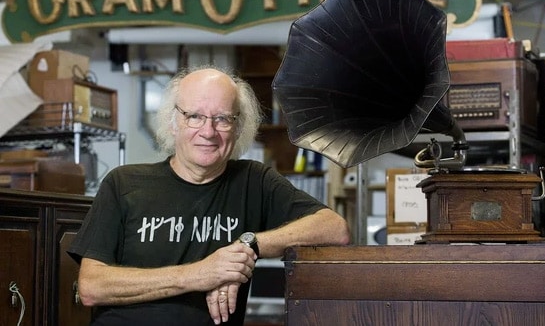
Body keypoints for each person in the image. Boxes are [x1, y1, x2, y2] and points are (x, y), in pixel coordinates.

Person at [68, 65, 350, 326]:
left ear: (238, 127)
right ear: (172, 122)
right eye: (195, 117)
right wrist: (202, 274)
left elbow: (335, 228)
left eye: (222, 119)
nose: (209, 131)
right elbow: (92, 287)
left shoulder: (254, 181)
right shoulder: (123, 182)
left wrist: (248, 246)